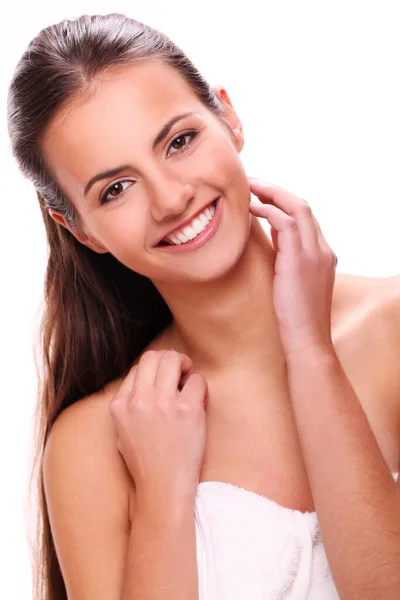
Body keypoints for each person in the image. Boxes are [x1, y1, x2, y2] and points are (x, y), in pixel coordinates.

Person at [7, 12, 400, 600]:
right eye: (116, 189)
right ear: (81, 230)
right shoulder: (94, 441)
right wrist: (163, 499)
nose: (170, 198)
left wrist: (310, 353)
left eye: (179, 141)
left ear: (228, 116)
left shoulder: (392, 330)